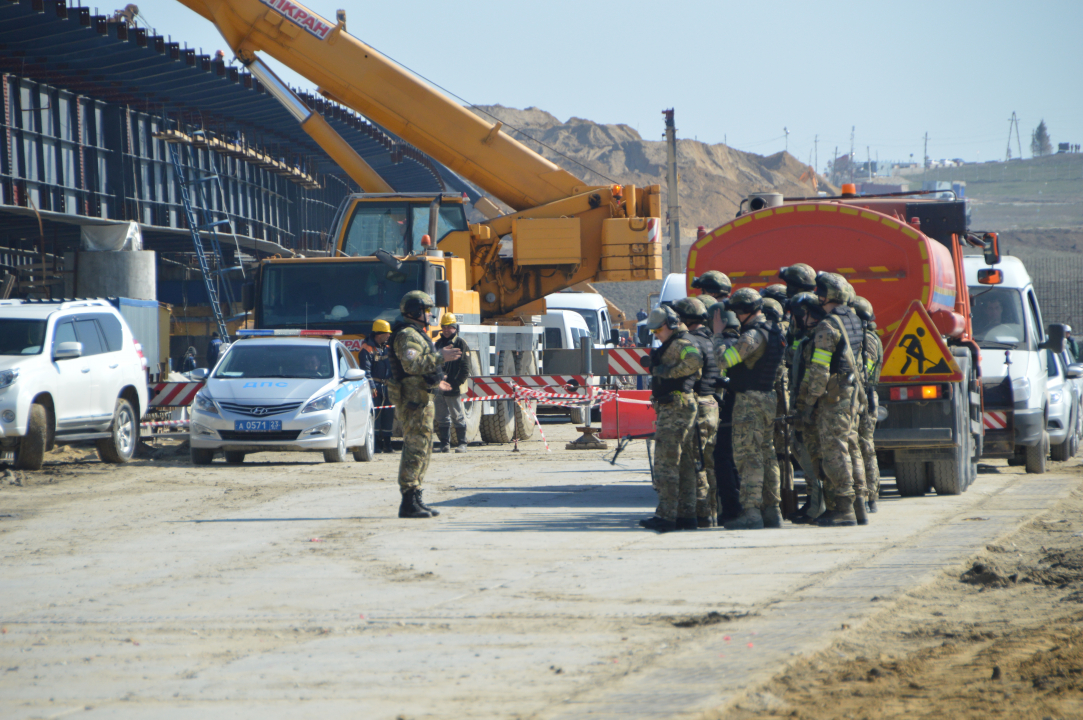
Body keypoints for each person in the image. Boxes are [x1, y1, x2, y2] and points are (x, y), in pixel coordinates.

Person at [796, 273, 866, 527]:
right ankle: (859, 505)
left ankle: (844, 507)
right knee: (848, 447)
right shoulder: (854, 320)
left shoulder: (827, 326)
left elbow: (820, 370)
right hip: (850, 394)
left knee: (833, 451)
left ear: (827, 296)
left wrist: (810, 402)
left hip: (833, 397)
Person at [712, 288, 785, 530]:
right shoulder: (775, 330)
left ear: (744, 311)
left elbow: (725, 361)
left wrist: (719, 336)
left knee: (748, 457)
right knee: (767, 455)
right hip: (767, 398)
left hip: (749, 402)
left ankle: (752, 512)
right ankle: (772, 511)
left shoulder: (752, 336)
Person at [387, 291, 461, 519]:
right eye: (426, 310)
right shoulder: (408, 335)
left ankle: (416, 495)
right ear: (414, 311)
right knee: (415, 447)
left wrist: (438, 380)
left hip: (422, 398)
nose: (430, 315)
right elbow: (411, 365)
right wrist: (440, 356)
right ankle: (408, 500)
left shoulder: (419, 334)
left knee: (424, 448)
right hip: (413, 401)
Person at [638, 305, 703, 533]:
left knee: (666, 463)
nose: (657, 335)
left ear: (669, 325)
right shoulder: (674, 343)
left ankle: (666, 516)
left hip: (676, 406)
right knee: (683, 463)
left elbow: (695, 361)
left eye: (658, 331)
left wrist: (664, 372)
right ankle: (686, 515)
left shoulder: (681, 344)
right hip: (677, 405)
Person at [673, 297, 721, 528]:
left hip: (698, 405)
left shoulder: (690, 342)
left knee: (695, 462)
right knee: (708, 462)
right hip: (712, 404)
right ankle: (711, 511)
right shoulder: (711, 340)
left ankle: (701, 513)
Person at [788, 293, 829, 523]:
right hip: (807, 405)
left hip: (813, 407)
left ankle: (817, 508)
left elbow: (813, 376)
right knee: (806, 454)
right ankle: (814, 504)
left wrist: (806, 406)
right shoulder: (808, 338)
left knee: (814, 458)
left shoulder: (817, 339)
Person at [851, 296, 883, 513]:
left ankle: (871, 495)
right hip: (863, 395)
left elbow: (867, 370)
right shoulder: (867, 335)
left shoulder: (868, 339)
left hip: (865, 396)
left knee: (865, 447)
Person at [434, 313, 471, 453]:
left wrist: (455, 384)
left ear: (455, 328)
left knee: (457, 415)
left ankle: (462, 443)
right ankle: (445, 445)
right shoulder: (438, 344)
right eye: (444, 327)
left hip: (453, 387)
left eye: (450, 327)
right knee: (441, 417)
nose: (446, 330)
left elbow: (465, 368)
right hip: (439, 387)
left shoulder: (461, 344)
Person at [359, 319, 395, 454]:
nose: (389, 336)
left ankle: (387, 443)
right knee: (376, 416)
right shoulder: (366, 349)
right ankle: (376, 444)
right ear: (379, 334)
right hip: (375, 388)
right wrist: (372, 386)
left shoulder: (387, 348)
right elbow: (365, 370)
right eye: (387, 333)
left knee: (388, 415)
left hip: (388, 387)